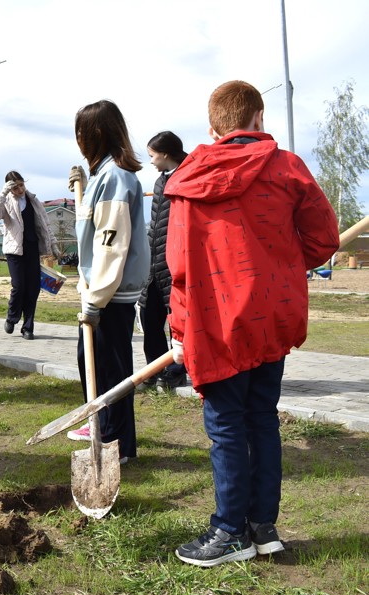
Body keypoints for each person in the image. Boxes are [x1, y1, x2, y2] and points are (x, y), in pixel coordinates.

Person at [164, 80, 339, 567]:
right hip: (270, 319)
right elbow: (325, 239)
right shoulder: (288, 169)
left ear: (214, 127)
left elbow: (177, 265)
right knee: (262, 418)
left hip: (216, 322)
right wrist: (282, 263)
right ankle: (263, 527)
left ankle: (229, 532)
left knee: (225, 428)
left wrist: (178, 329)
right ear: (259, 119)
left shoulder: (189, 177)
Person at [65, 100, 150, 466]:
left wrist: (94, 298)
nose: (78, 140)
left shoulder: (115, 177)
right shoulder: (104, 176)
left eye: (80, 133)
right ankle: (109, 431)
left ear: (94, 134)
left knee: (111, 370)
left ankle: (114, 439)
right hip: (102, 289)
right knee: (95, 364)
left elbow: (111, 246)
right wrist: (82, 188)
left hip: (110, 293)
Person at [138, 131, 189, 390]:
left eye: (152, 155)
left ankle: (176, 369)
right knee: (150, 316)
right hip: (155, 260)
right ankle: (154, 367)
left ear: (166, 153)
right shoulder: (160, 181)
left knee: (178, 322)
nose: (151, 161)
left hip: (178, 262)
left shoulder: (190, 176)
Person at [0, 171, 60, 340]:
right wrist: (4, 193)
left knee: (33, 289)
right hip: (14, 250)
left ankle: (28, 327)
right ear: (9, 188)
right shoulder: (5, 201)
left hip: (32, 248)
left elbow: (45, 225)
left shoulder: (33, 200)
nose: (19, 189)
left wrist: (53, 244)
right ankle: (12, 318)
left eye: (21, 185)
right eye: (15, 186)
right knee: (19, 287)